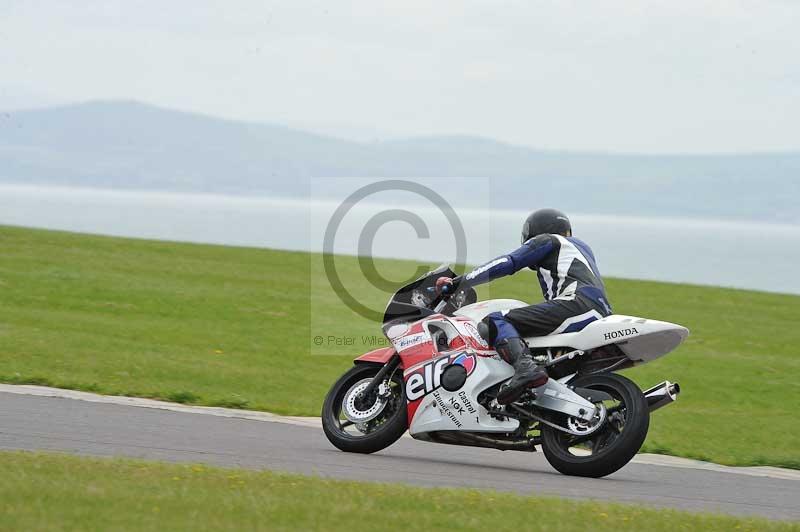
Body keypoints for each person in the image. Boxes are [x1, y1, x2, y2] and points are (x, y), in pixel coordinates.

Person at [435, 208, 612, 405]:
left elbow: (508, 262)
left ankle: (525, 368)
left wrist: (460, 282)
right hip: (600, 311)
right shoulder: (581, 248)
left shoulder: (548, 240)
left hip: (577, 303)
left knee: (496, 319)